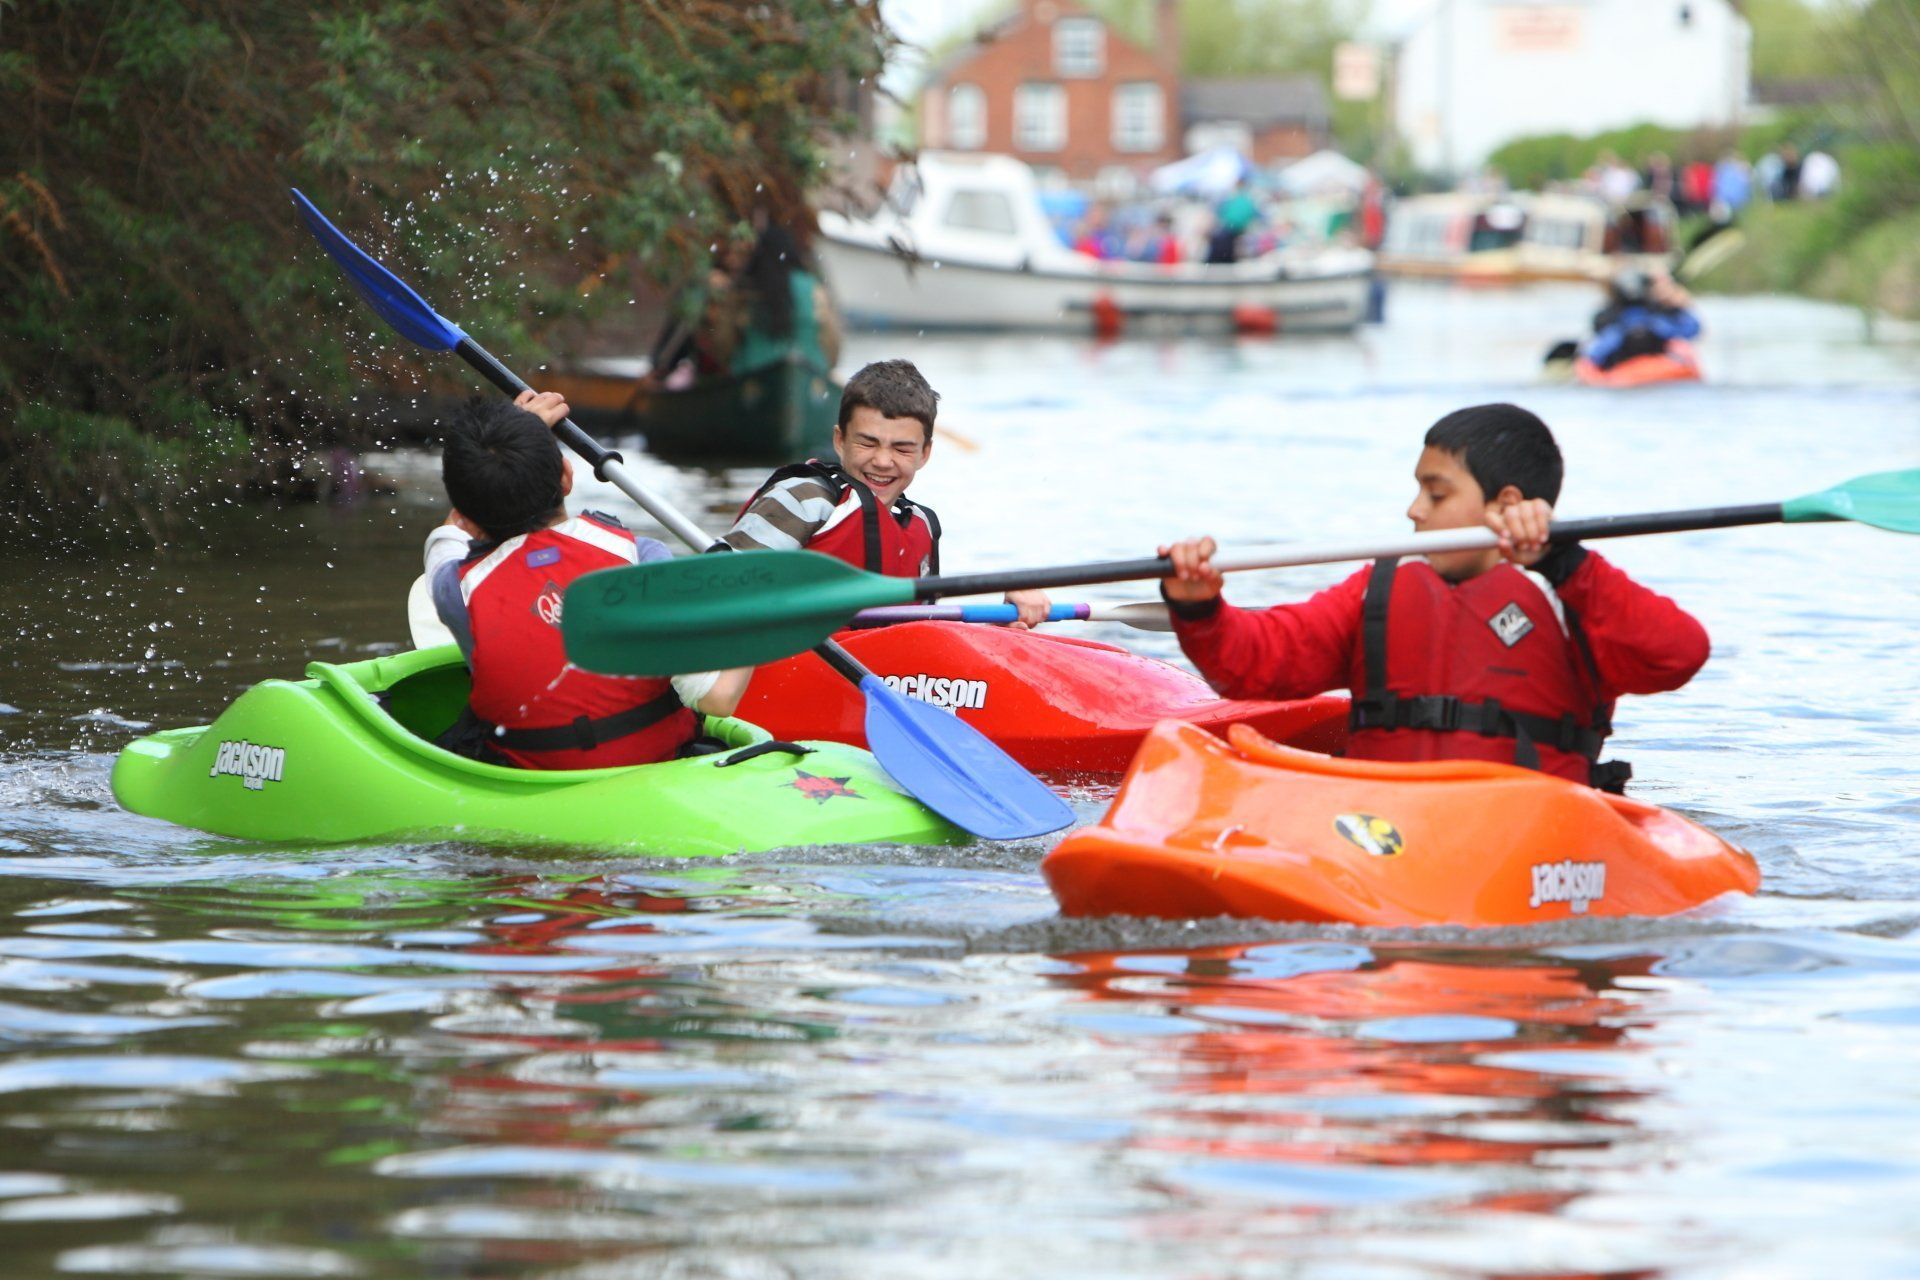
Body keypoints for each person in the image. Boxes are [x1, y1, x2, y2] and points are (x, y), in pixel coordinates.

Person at [1158, 404, 1709, 792]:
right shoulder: (1379, 590)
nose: (1414, 510)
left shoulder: (1577, 592)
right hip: (1383, 823)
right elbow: (1256, 665)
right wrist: (1199, 606)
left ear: (1506, 503)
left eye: (1437, 493)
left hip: (1525, 829)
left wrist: (1565, 561)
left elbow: (1678, 654)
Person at [424, 390, 751, 769]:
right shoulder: (640, 560)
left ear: (464, 508)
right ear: (566, 476)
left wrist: (502, 445)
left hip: (533, 781)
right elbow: (719, 698)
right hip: (654, 768)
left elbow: (450, 533)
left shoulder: (454, 588)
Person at [722, 359, 1052, 628]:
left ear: (925, 454)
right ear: (840, 441)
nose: (882, 461)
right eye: (867, 442)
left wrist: (1002, 625)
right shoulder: (804, 498)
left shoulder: (920, 524)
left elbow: (920, 644)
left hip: (869, 690)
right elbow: (717, 591)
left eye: (902, 448)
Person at [1583, 269, 1701, 371]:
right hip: (1622, 362)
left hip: (1656, 360)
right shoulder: (1612, 318)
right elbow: (1597, 350)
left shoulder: (1659, 312)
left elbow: (1691, 329)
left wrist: (1680, 307)